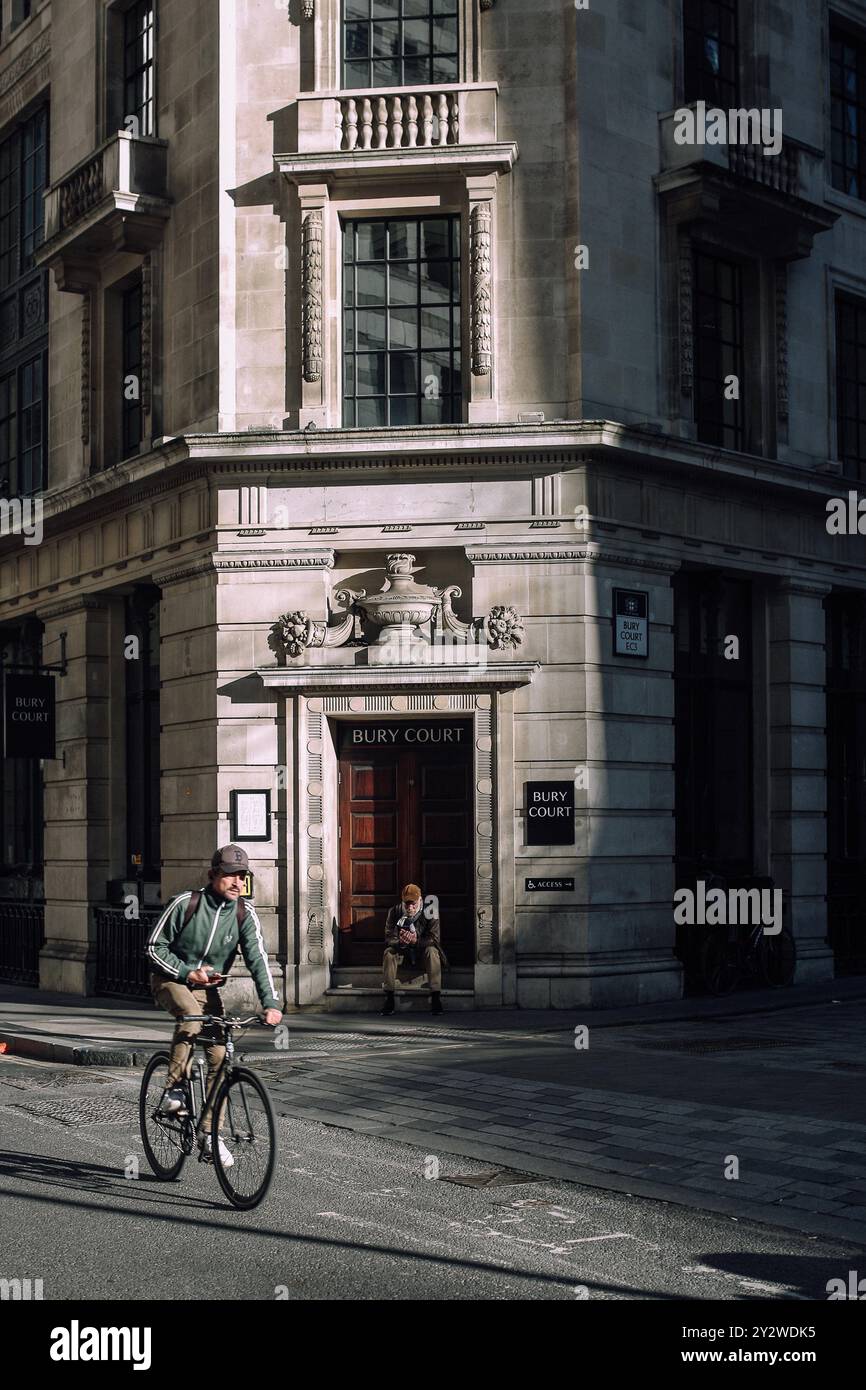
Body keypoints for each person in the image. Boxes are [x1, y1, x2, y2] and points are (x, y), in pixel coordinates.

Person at [145, 845, 282, 1167]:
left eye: (242, 877)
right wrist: (184, 971)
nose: (237, 882)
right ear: (213, 875)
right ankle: (175, 1091)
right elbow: (154, 947)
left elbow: (258, 960)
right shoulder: (186, 903)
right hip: (170, 979)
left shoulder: (243, 914)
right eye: (231, 875)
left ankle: (209, 1134)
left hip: (208, 990)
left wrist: (270, 1003)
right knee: (191, 1019)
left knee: (220, 1055)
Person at [381, 883, 448, 1016]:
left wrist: (415, 941)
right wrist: (400, 941)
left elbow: (434, 939)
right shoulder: (394, 912)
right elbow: (389, 938)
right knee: (388, 953)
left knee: (432, 951)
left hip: (422, 951)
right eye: (407, 904)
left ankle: (435, 997)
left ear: (420, 900)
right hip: (403, 952)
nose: (410, 907)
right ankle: (389, 998)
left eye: (414, 904)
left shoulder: (430, 912)